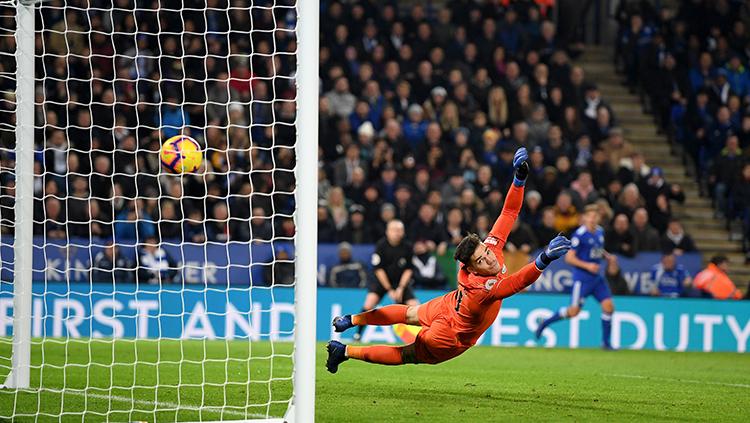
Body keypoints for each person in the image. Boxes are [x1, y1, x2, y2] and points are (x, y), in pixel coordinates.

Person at [325, 148, 572, 372]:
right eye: (482, 260)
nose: (490, 259)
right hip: (451, 335)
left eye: (486, 252)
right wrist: (544, 258)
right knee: (406, 354)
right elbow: (516, 283)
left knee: (409, 313)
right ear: (471, 268)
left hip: (448, 304)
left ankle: (351, 320)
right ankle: (345, 351)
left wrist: (519, 180)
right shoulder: (481, 288)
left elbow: (508, 212)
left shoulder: (490, 248)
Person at [535, 204, 616, 350]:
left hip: (597, 279)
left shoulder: (600, 232)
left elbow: (597, 249)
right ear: (584, 218)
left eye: (595, 216)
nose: (592, 219)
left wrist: (607, 256)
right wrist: (588, 266)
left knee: (609, 306)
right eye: (589, 216)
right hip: (583, 279)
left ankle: (606, 343)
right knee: (573, 311)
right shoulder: (580, 235)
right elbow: (569, 259)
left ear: (598, 217)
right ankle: (545, 322)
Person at [353, 219, 417, 341]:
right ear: (387, 232)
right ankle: (358, 335)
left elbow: (409, 270)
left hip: (400, 282)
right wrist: (389, 289)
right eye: (394, 230)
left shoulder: (408, 246)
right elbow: (378, 270)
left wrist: (401, 288)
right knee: (369, 303)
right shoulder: (381, 245)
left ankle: (422, 337)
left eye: (400, 230)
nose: (397, 233)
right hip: (381, 282)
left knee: (416, 307)